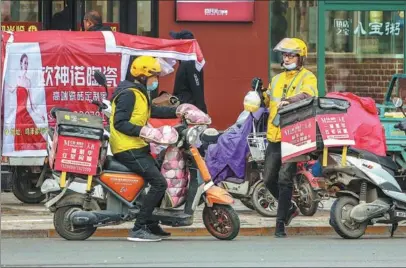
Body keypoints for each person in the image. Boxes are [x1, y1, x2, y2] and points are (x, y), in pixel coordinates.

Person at [253, 37, 318, 238]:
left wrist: (289, 100)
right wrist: (258, 91)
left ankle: (280, 223)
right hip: (275, 136)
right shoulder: (277, 79)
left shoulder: (308, 77)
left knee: (284, 179)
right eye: (285, 54)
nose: (287, 58)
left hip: (294, 136)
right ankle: (289, 208)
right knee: (268, 178)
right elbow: (267, 100)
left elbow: (308, 95)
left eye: (291, 54)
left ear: (300, 58)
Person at [109, 56, 177, 242]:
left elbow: (151, 112)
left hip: (137, 145)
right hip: (127, 147)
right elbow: (120, 123)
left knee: (159, 176)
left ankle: (151, 223)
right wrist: (144, 130)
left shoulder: (140, 93)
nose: (156, 80)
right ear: (142, 76)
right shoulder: (128, 94)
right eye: (154, 76)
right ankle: (139, 228)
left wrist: (179, 111)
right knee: (159, 183)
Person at [168, 30, 208, 113]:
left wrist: (203, 112)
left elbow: (197, 89)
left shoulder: (190, 63)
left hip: (189, 110)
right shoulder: (184, 62)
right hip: (183, 108)